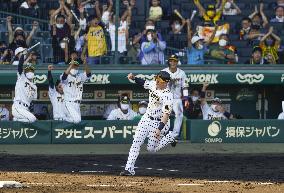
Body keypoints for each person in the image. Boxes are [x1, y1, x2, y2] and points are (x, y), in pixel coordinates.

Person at [120, 71, 175, 176]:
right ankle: (129, 169)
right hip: (146, 118)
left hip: (159, 122)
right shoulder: (154, 84)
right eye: (157, 80)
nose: (157, 82)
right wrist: (133, 77)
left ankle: (169, 137)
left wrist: (159, 129)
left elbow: (166, 115)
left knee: (151, 149)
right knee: (136, 142)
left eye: (159, 81)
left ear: (165, 82)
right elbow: (143, 82)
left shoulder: (168, 96)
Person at [162, 55, 188, 142]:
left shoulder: (182, 73)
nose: (173, 63)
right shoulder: (163, 72)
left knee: (179, 115)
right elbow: (158, 85)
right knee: (163, 115)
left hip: (177, 99)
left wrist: (186, 98)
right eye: (171, 61)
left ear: (177, 62)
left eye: (174, 61)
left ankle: (175, 135)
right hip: (165, 98)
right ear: (169, 62)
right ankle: (162, 134)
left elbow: (185, 86)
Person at [61, 59, 91, 123]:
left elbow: (89, 75)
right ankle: (62, 118)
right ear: (69, 66)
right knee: (77, 120)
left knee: (77, 122)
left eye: (76, 66)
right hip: (69, 102)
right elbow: (64, 77)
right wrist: (71, 65)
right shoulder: (65, 76)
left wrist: (85, 64)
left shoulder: (80, 76)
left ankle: (65, 119)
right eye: (73, 66)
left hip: (77, 104)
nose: (74, 67)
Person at [12, 49, 37, 123]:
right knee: (33, 119)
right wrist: (23, 55)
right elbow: (20, 66)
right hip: (18, 107)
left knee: (32, 119)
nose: (30, 72)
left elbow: (32, 101)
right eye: (28, 70)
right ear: (25, 72)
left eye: (32, 71)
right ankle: (16, 120)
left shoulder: (35, 87)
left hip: (26, 108)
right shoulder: (21, 78)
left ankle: (17, 119)